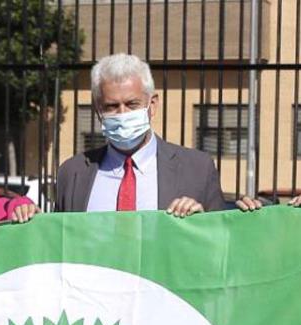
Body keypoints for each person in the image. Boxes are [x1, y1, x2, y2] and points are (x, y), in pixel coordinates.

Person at [56, 53, 228, 216]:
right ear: (97, 110)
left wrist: (201, 222)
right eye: (111, 106)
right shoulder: (72, 173)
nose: (122, 114)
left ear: (152, 105)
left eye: (132, 104)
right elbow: (59, 240)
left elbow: (221, 238)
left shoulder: (197, 169)